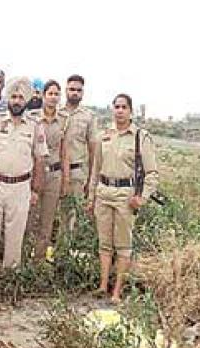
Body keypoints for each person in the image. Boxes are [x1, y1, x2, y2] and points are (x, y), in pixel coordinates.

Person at [0, 77, 47, 294]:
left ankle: (9, 280)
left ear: (26, 101)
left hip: (20, 187)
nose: (16, 101)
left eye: (20, 97)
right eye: (13, 97)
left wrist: (36, 190)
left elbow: (40, 160)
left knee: (15, 234)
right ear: (8, 99)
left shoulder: (34, 127)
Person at [86, 93, 158, 302]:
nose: (119, 111)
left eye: (124, 107)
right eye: (116, 107)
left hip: (126, 195)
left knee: (123, 246)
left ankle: (117, 292)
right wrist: (91, 197)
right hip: (104, 192)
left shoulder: (140, 137)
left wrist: (142, 198)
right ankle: (102, 286)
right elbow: (95, 169)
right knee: (104, 244)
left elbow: (151, 173)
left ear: (130, 111)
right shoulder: (105, 136)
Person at [29, 80, 65, 260]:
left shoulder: (64, 120)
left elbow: (64, 151)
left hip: (54, 174)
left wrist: (64, 179)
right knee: (29, 218)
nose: (53, 97)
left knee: (47, 220)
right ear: (43, 96)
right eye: (50, 93)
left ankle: (39, 260)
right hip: (35, 174)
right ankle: (21, 260)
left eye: (56, 94)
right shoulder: (32, 117)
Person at [58, 74, 98, 197]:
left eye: (78, 90)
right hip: (55, 171)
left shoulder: (88, 116)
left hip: (77, 173)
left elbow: (93, 151)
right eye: (72, 89)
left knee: (72, 214)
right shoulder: (55, 112)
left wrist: (91, 179)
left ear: (82, 93)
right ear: (66, 91)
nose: (75, 93)